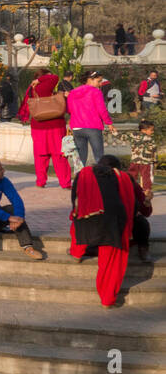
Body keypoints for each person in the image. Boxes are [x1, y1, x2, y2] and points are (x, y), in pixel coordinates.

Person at [69, 156, 142, 305]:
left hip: (89, 217)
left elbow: (75, 198)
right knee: (111, 262)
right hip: (114, 222)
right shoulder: (124, 178)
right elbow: (132, 206)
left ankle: (77, 253)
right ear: (117, 168)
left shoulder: (85, 172)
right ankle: (107, 299)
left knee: (79, 223)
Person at [17, 70, 71, 189]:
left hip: (38, 126)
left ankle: (41, 182)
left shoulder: (32, 89)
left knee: (41, 155)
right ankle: (65, 183)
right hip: (54, 126)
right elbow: (55, 77)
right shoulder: (43, 86)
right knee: (59, 155)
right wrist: (40, 80)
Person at [66, 70, 116, 167]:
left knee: (80, 157)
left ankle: (79, 178)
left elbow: (69, 110)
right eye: (99, 81)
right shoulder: (96, 92)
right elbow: (102, 110)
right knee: (99, 156)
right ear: (90, 80)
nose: (100, 84)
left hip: (77, 127)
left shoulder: (72, 92)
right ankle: (101, 177)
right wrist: (109, 123)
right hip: (93, 126)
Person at [128, 119, 156, 199]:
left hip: (135, 160)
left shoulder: (133, 135)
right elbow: (154, 150)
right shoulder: (150, 139)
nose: (152, 132)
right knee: (146, 177)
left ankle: (130, 189)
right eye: (151, 130)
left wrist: (114, 132)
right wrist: (154, 160)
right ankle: (146, 193)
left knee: (132, 175)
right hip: (145, 161)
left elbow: (124, 137)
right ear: (144, 130)